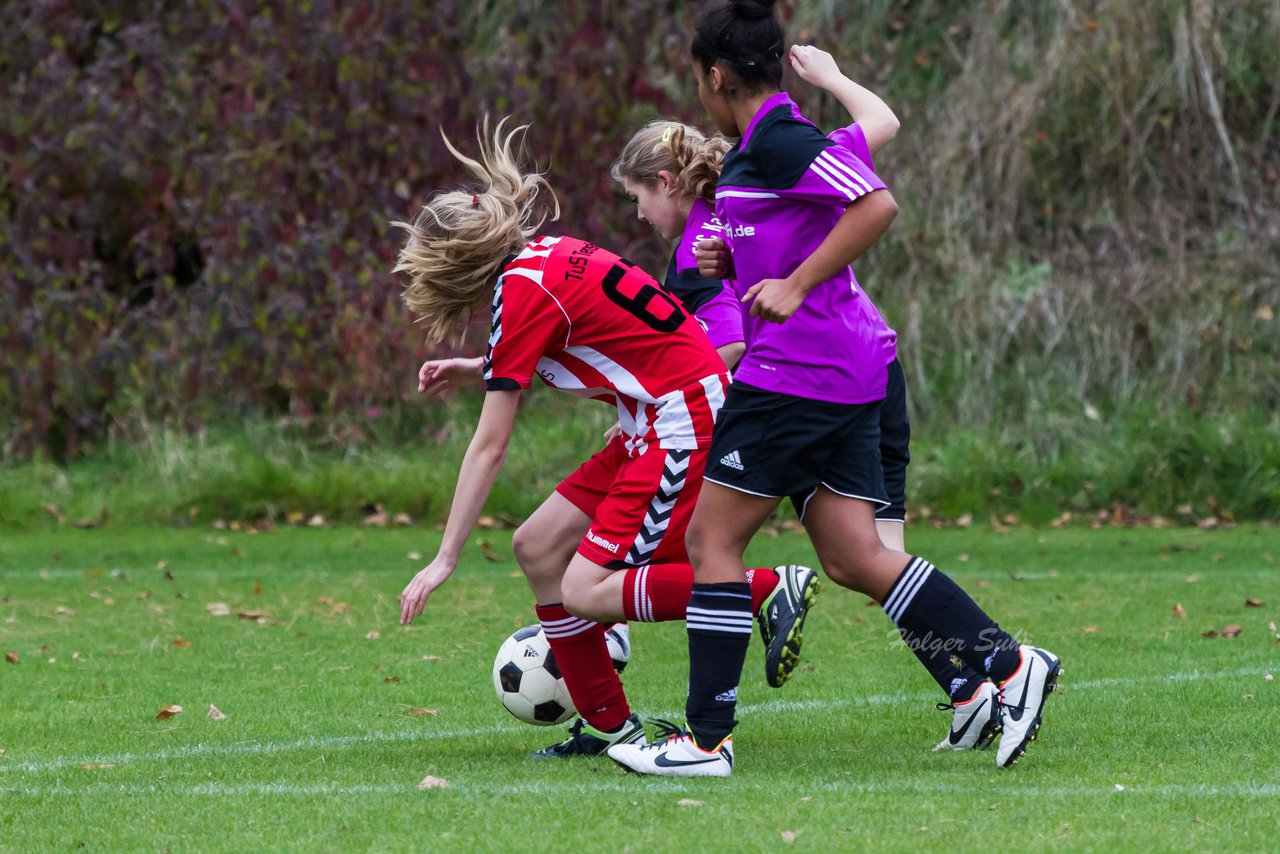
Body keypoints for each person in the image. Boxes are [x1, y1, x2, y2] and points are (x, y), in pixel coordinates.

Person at [608, 0, 1059, 777]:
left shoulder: (781, 138)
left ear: (715, 76)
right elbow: (801, 222)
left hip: (797, 377)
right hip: (840, 376)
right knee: (854, 556)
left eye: (698, 80)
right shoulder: (756, 153)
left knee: (711, 544)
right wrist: (740, 266)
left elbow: (876, 204)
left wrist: (792, 281)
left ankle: (705, 741)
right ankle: (1009, 666)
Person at [393, 117, 819, 761]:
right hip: (652, 418)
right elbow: (608, 337)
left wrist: (445, 556)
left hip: (679, 422)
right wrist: (477, 368)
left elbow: (489, 445)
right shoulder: (543, 259)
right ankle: (610, 728)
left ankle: (764, 589)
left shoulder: (522, 294)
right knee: (536, 548)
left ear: (453, 264)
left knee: (585, 589)